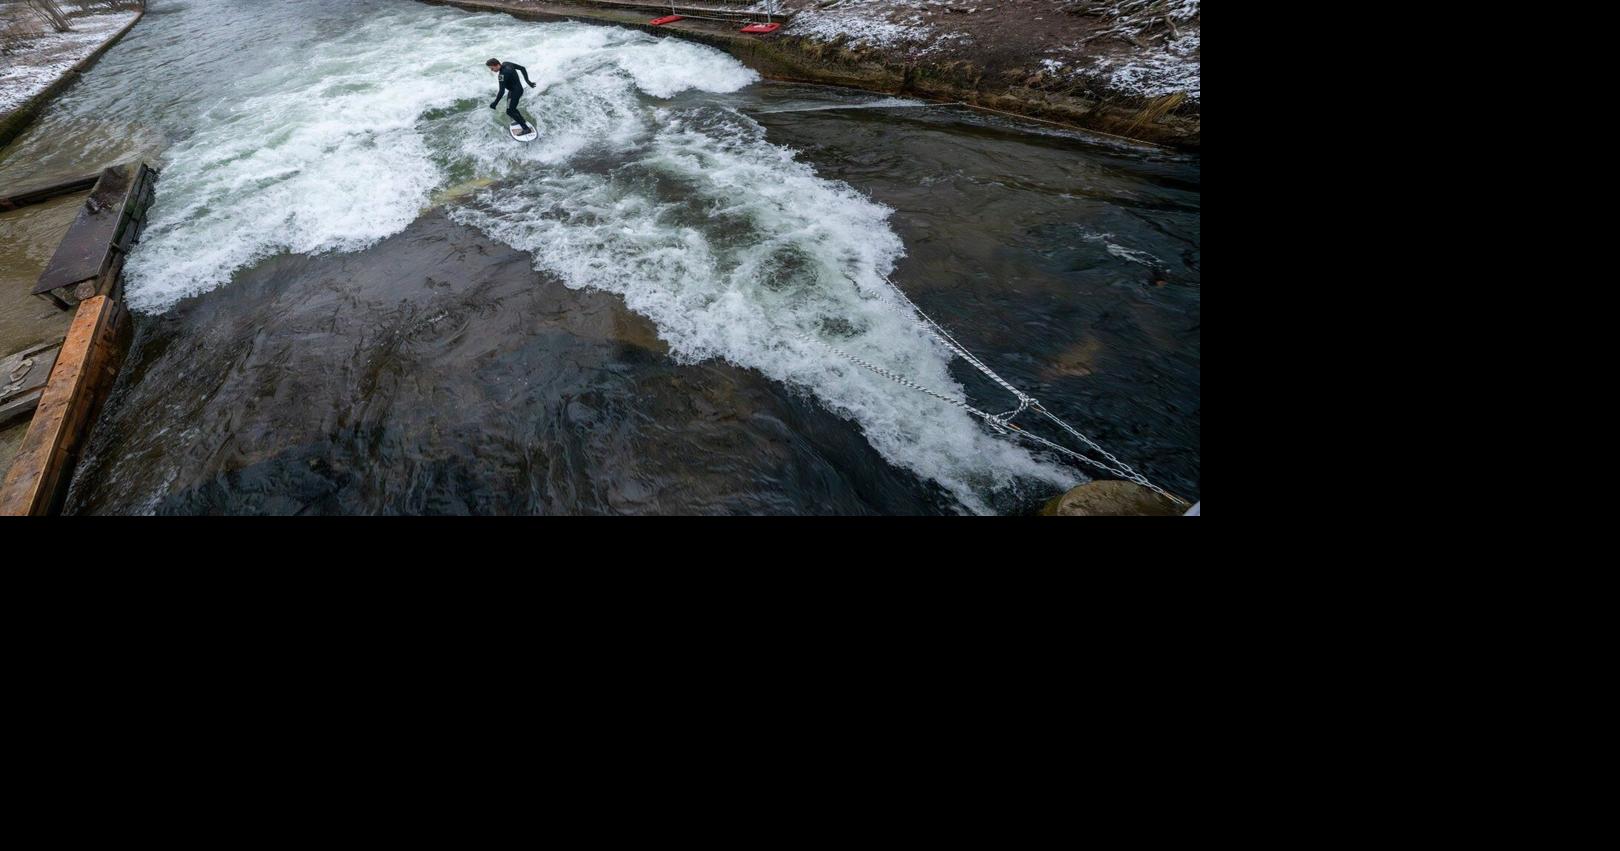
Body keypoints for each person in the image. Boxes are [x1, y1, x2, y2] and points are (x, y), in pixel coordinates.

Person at [486, 58, 537, 135]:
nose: (492, 70)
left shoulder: (502, 75)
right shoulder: (507, 63)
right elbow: (522, 68)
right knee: (512, 109)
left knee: (510, 111)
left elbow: (501, 91)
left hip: (515, 92)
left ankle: (526, 129)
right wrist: (528, 81)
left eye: (492, 68)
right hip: (516, 90)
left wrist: (495, 103)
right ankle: (522, 120)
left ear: (496, 65)